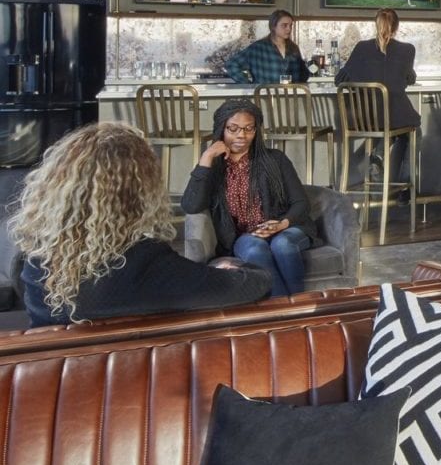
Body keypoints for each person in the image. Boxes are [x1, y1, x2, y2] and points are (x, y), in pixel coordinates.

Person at [10, 122, 271, 326]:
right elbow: (257, 285)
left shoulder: (35, 264)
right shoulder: (145, 264)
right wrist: (230, 265)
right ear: (140, 195)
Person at [182, 99, 318, 298]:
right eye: (233, 129)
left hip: (286, 227)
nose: (241, 135)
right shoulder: (214, 168)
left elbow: (301, 203)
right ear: (221, 129)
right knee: (254, 250)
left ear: (256, 131)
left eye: (248, 129)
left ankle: (297, 305)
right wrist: (207, 157)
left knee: (282, 245)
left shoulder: (275, 159)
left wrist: (281, 224)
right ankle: (285, 309)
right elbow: (191, 205)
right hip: (245, 235)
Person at [337, 8, 421, 183]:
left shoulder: (361, 48)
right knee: (412, 130)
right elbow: (407, 79)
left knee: (395, 128)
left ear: (376, 25)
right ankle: (404, 186)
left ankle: (378, 157)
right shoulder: (407, 50)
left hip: (364, 119)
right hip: (395, 117)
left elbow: (340, 80)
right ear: (397, 27)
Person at [225, 9, 309, 84]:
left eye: (291, 25)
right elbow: (231, 65)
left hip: (291, 95)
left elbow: (303, 74)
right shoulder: (258, 48)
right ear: (273, 26)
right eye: (284, 25)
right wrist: (248, 85)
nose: (289, 29)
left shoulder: (293, 48)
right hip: (265, 95)